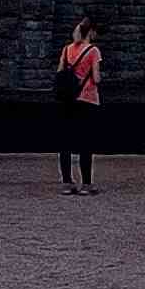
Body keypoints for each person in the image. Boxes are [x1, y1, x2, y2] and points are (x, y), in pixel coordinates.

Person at [56, 16, 103, 195]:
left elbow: (60, 71)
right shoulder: (93, 51)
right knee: (86, 143)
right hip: (87, 98)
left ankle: (67, 182)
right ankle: (86, 184)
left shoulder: (67, 49)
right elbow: (97, 78)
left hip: (68, 99)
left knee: (66, 142)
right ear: (91, 31)